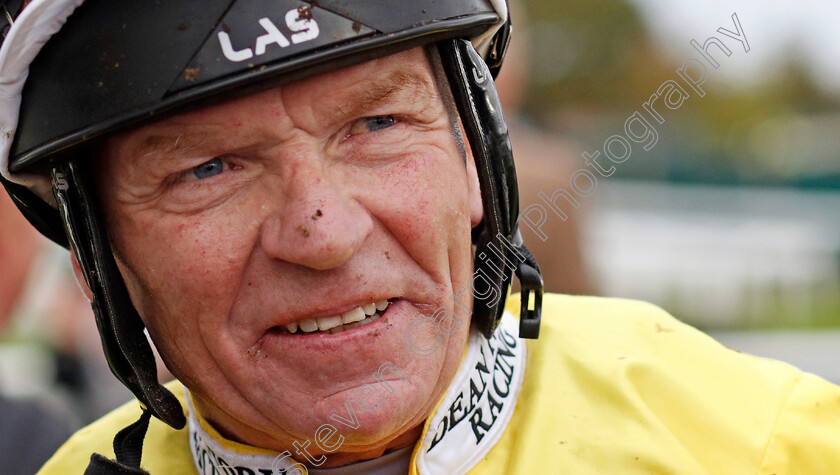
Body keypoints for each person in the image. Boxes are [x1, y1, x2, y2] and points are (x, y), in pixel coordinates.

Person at [1, 1, 839, 474]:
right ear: (97, 256)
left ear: (476, 161)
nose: (322, 233)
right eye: (209, 168)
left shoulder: (763, 443)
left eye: (376, 121)